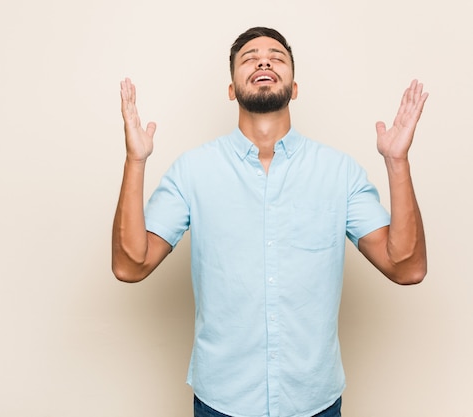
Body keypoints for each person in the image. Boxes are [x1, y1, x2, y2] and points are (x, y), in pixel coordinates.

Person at [111, 26, 427, 417]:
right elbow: (130, 264)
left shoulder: (339, 172)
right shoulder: (193, 171)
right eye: (250, 57)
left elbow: (407, 267)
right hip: (221, 401)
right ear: (232, 90)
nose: (263, 60)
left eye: (276, 57)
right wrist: (135, 161)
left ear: (294, 88)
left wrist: (397, 162)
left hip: (315, 402)